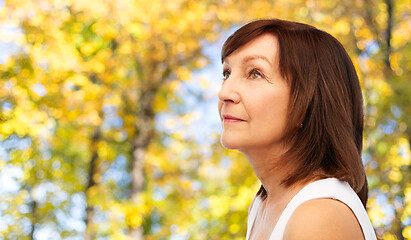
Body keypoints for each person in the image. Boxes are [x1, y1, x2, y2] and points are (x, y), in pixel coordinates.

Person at [218, 19, 377, 240]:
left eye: (255, 73)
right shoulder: (262, 204)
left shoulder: (318, 217)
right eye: (226, 73)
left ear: (309, 101)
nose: (224, 92)